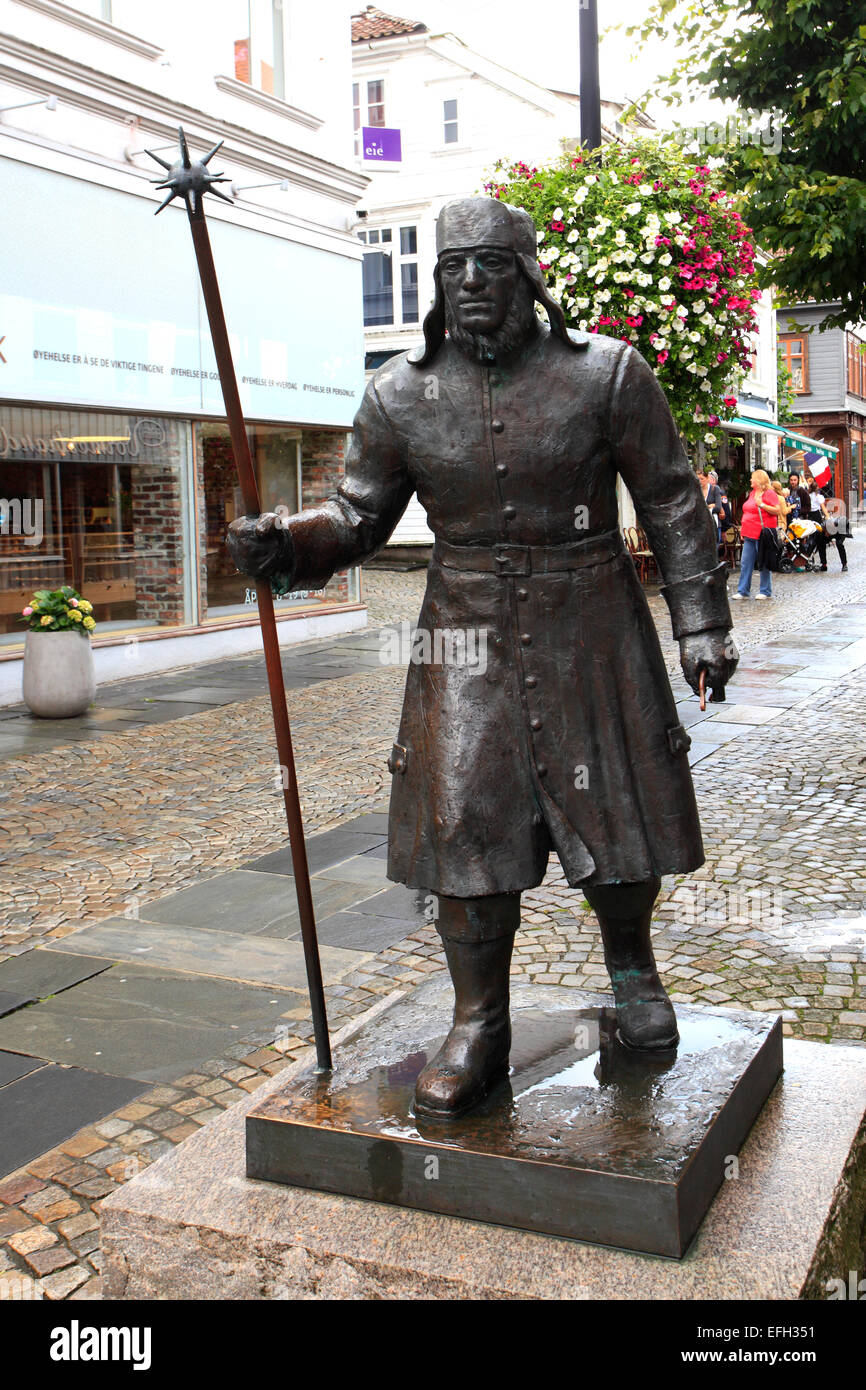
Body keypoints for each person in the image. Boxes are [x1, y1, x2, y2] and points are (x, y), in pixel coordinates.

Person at [227, 196, 738, 1117]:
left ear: (528, 276)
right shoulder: (398, 394)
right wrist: (286, 545)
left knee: (615, 809)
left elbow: (669, 498)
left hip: (591, 614)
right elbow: (357, 515)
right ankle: (479, 1020)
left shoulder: (607, 375)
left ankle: (633, 974)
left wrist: (701, 621)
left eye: (490, 266)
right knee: (463, 817)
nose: (469, 284)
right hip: (460, 622)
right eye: (452, 268)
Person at [734, 468, 783, 599]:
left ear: (759, 479)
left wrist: (762, 505)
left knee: (764, 561)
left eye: (752, 477)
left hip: (762, 534)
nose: (750, 480)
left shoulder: (769, 494)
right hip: (749, 533)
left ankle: (765, 590)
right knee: (746, 562)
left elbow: (777, 510)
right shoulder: (752, 493)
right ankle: (743, 590)